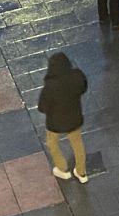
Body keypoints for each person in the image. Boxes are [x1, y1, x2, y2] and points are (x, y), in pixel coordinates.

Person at [38, 53, 89, 183]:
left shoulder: (50, 86)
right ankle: (81, 172)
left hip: (55, 123)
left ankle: (62, 168)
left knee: (52, 143)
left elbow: (42, 107)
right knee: (77, 143)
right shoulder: (77, 76)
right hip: (74, 119)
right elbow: (83, 88)